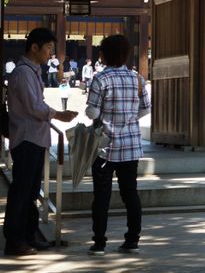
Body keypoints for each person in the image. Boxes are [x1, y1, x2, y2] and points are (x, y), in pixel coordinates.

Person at [3, 28, 77, 257]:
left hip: (34, 137)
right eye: (48, 48)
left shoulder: (30, 71)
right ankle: (15, 239)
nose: (50, 54)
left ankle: (28, 233)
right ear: (34, 47)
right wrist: (58, 115)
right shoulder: (24, 73)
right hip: (27, 138)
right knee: (23, 191)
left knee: (31, 190)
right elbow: (34, 107)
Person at [85, 34, 150, 256]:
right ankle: (132, 240)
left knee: (101, 196)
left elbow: (92, 111)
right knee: (130, 193)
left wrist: (101, 115)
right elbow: (146, 108)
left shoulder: (100, 79)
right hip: (130, 144)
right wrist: (128, 119)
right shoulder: (138, 79)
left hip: (105, 146)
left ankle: (99, 242)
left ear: (104, 54)